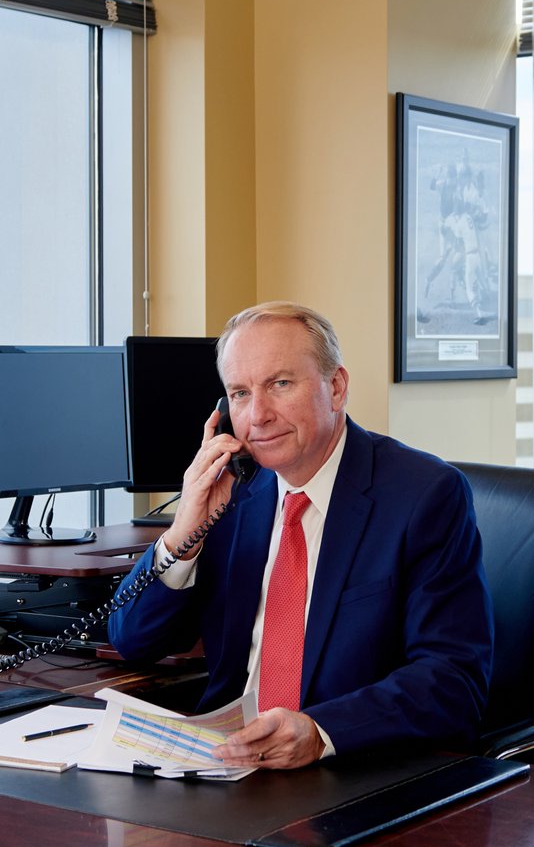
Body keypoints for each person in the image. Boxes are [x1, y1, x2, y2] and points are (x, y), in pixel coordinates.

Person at [106, 302, 494, 769]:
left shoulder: (424, 495)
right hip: (227, 765)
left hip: (351, 769)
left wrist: (320, 732)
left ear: (336, 387)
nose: (258, 415)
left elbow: (453, 679)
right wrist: (184, 535)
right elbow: (131, 639)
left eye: (280, 384)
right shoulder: (231, 496)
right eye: (240, 393)